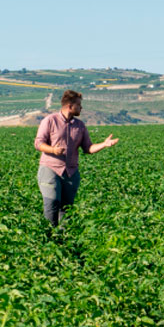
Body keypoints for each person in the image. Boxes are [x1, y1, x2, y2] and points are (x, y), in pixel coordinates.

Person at [33, 90, 118, 226]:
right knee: (52, 203)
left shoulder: (80, 126)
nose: (81, 108)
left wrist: (104, 144)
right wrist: (53, 150)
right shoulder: (50, 120)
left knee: (67, 209)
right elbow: (38, 143)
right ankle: (48, 237)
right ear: (70, 106)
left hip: (71, 172)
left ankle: (64, 240)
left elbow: (88, 148)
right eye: (79, 105)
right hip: (50, 168)